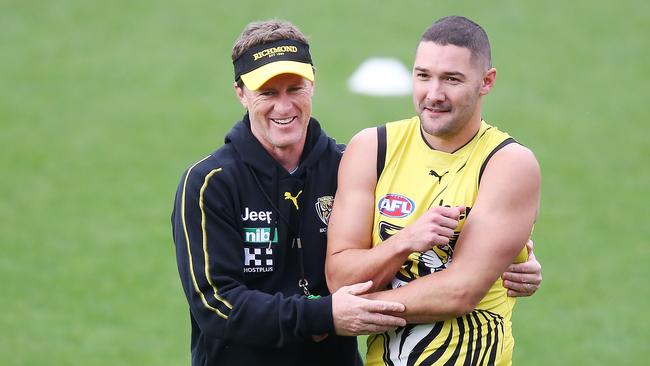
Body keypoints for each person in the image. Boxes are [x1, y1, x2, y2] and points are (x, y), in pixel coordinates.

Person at [172, 18, 541, 366]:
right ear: (241, 93)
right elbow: (215, 305)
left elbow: (463, 262)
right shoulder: (209, 183)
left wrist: (506, 263)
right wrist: (326, 316)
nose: (283, 106)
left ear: (313, 82)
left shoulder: (346, 164)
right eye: (267, 92)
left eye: (295, 88)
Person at [325, 16, 541, 366]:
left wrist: (352, 310)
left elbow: (460, 291)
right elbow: (340, 277)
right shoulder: (372, 148)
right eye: (423, 76)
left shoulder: (508, 164)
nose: (434, 94)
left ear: (486, 82)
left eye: (451, 79)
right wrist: (406, 241)